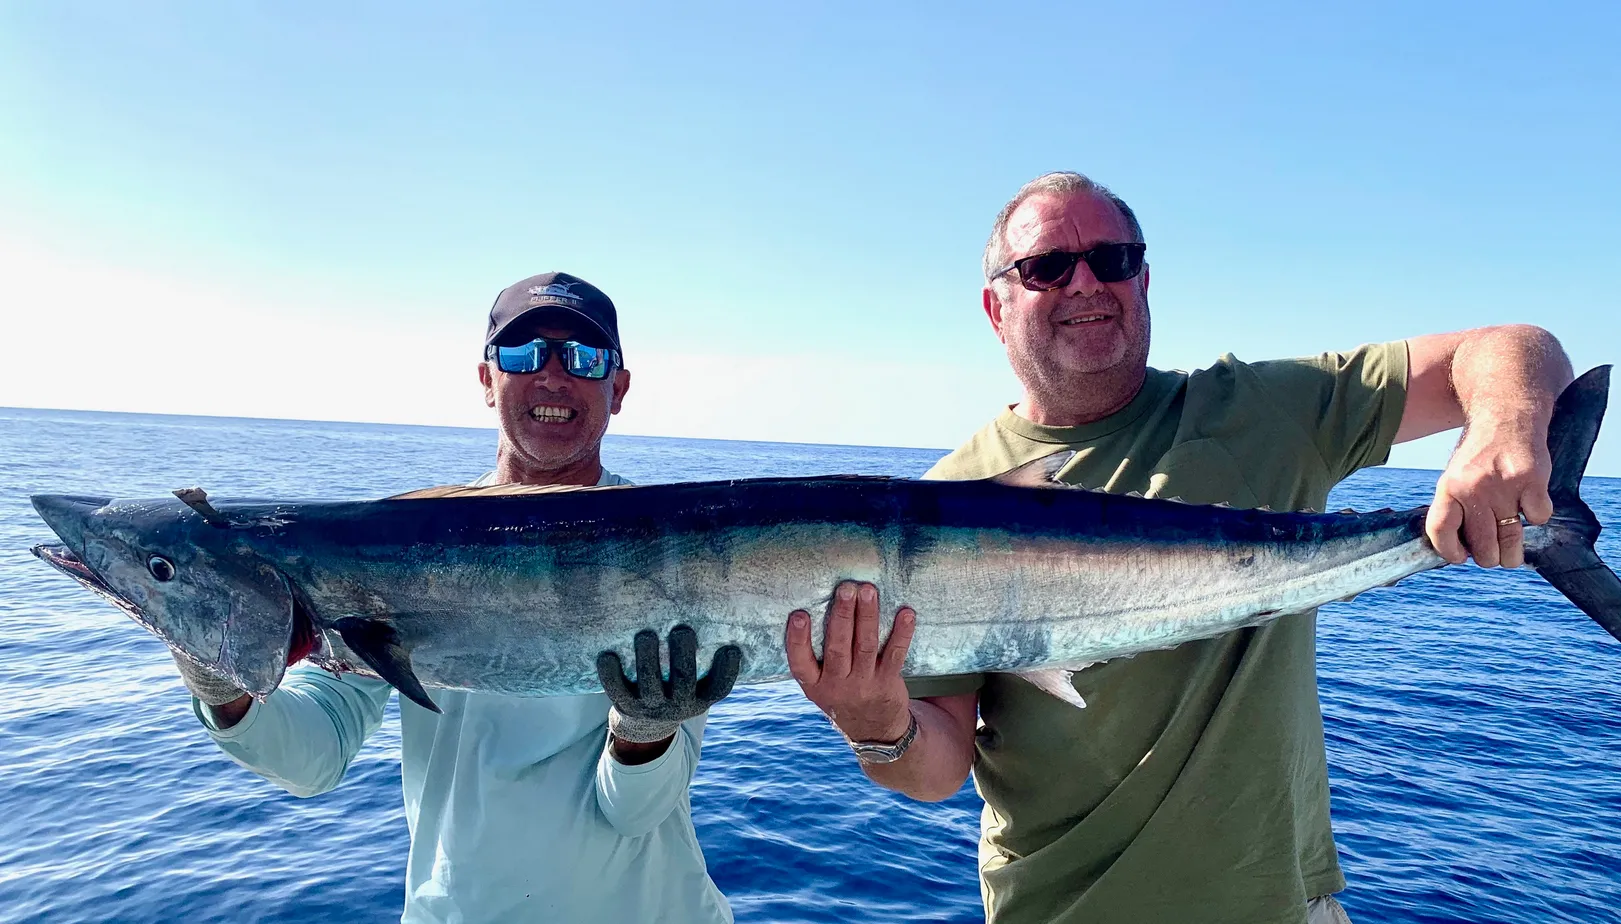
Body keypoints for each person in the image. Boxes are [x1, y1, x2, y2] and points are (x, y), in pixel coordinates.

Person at [785, 172, 1574, 924]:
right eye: (1047, 267)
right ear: (996, 309)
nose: (1085, 283)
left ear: (1143, 281)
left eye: (1112, 260)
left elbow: (1508, 346)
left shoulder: (1265, 410)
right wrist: (874, 725)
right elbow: (938, 767)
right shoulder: (944, 503)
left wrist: (1502, 431)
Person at [170, 272, 739, 924]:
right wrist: (223, 690)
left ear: (619, 388)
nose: (553, 376)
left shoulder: (673, 548)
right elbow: (313, 758)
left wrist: (645, 735)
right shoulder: (392, 542)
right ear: (485, 378)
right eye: (524, 354)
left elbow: (634, 811)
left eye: (583, 358)